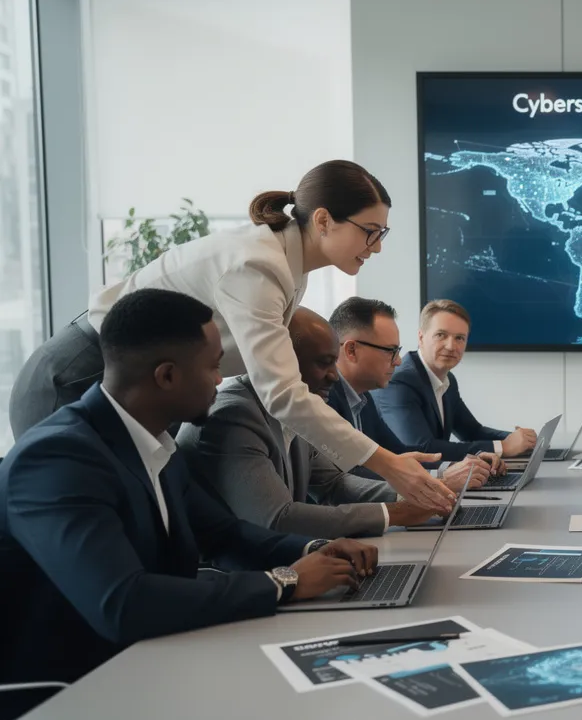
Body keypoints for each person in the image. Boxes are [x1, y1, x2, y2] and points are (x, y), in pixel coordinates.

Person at [0, 290, 378, 720]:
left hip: (154, 663)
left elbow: (225, 533)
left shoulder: (153, 441)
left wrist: (316, 547)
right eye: (214, 365)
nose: (221, 381)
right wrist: (286, 581)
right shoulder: (58, 459)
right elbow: (123, 603)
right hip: (72, 700)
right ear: (166, 376)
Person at [7, 160, 455, 512]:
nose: (377, 246)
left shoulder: (286, 264)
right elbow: (282, 392)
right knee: (95, 519)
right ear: (323, 220)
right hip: (75, 375)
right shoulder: (259, 264)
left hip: (136, 384)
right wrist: (386, 464)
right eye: (370, 232)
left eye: (382, 234)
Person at [176, 308, 488, 538]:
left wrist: (416, 496)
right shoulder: (234, 416)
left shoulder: (301, 408)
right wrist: (395, 513)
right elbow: (277, 519)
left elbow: (333, 483)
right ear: (279, 363)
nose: (334, 376)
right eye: (324, 363)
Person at [374, 300, 538, 461]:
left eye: (459, 338)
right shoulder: (400, 382)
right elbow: (421, 449)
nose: (451, 346)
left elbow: (472, 431)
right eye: (441, 335)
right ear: (421, 337)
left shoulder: (447, 379)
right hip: (391, 486)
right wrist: (503, 447)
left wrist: (519, 439)